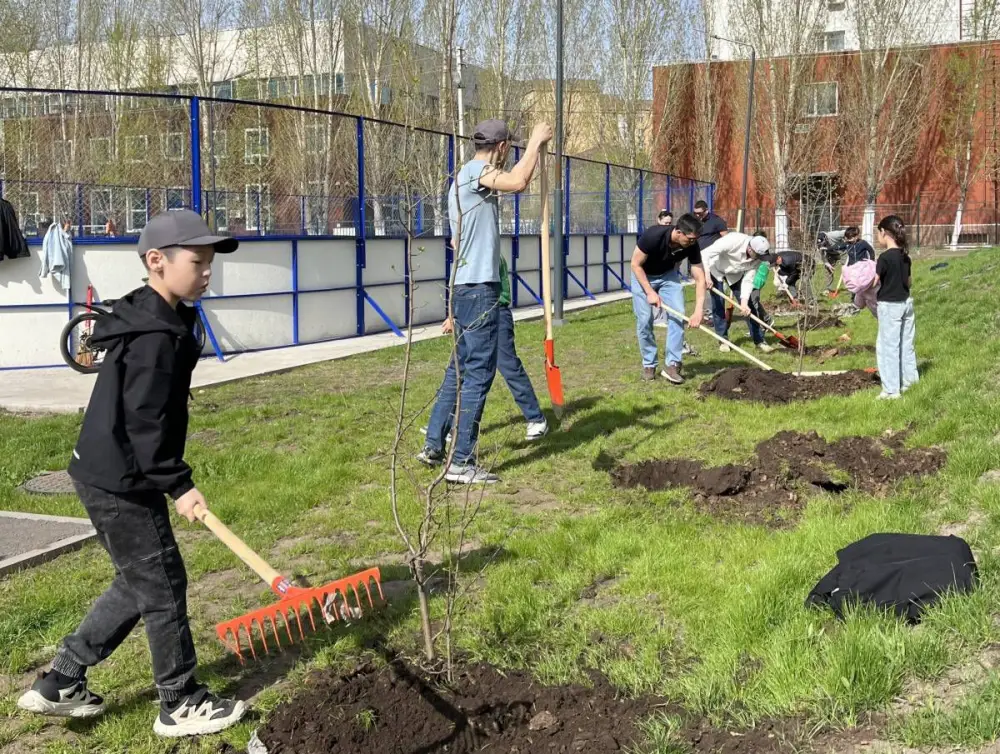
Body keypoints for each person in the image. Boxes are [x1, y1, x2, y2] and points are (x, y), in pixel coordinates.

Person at [17, 210, 246, 738]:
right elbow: (146, 422)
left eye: (211, 263)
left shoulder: (155, 312)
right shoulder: (154, 336)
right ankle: (180, 700)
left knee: (139, 578)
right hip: (122, 476)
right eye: (198, 262)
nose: (207, 272)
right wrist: (179, 484)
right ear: (156, 261)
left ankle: (62, 681)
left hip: (105, 469)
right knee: (164, 584)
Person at [418, 119, 553, 484]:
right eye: (511, 148)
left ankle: (434, 445)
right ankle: (461, 462)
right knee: (478, 373)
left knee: (458, 370)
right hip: (479, 289)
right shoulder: (478, 171)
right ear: (503, 147)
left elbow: (457, 242)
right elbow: (518, 182)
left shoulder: (464, 178)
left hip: (464, 288)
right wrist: (537, 144)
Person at [433, 255, 548, 442]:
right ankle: (448, 426)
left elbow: (480, 288)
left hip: (495, 313)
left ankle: (536, 418)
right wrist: (453, 315)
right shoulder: (462, 256)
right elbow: (459, 287)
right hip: (469, 315)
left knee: (508, 365)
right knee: (459, 369)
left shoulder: (488, 254)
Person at [630, 212, 708, 384]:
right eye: (690, 239)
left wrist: (698, 311)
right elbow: (635, 264)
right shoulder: (653, 236)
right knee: (644, 320)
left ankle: (672, 365)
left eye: (695, 239)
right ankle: (649, 365)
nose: (693, 242)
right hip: (643, 275)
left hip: (668, 275)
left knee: (678, 315)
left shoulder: (692, 245)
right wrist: (650, 292)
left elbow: (700, 278)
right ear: (678, 232)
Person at [700, 231, 775, 353]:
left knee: (750, 306)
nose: (760, 259)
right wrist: (707, 276)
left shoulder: (758, 258)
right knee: (718, 303)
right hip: (715, 269)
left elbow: (748, 280)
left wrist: (744, 302)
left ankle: (759, 340)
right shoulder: (733, 240)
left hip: (735, 274)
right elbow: (705, 254)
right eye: (758, 256)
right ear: (750, 249)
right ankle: (723, 340)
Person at [874, 215, 917, 400]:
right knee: (907, 345)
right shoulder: (905, 257)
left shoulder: (884, 258)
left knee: (887, 348)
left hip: (890, 307)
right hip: (906, 304)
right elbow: (908, 282)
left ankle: (891, 390)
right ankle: (911, 382)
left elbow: (874, 282)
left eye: (878, 233)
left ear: (884, 232)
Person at [838, 226, 879, 317]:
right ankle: (854, 301)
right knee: (854, 284)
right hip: (852, 268)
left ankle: (863, 299)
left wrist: (871, 262)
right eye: (848, 238)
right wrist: (828, 248)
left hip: (862, 268)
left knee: (861, 283)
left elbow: (871, 251)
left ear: (857, 236)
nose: (850, 240)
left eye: (851, 238)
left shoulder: (863, 243)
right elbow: (839, 246)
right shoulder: (848, 244)